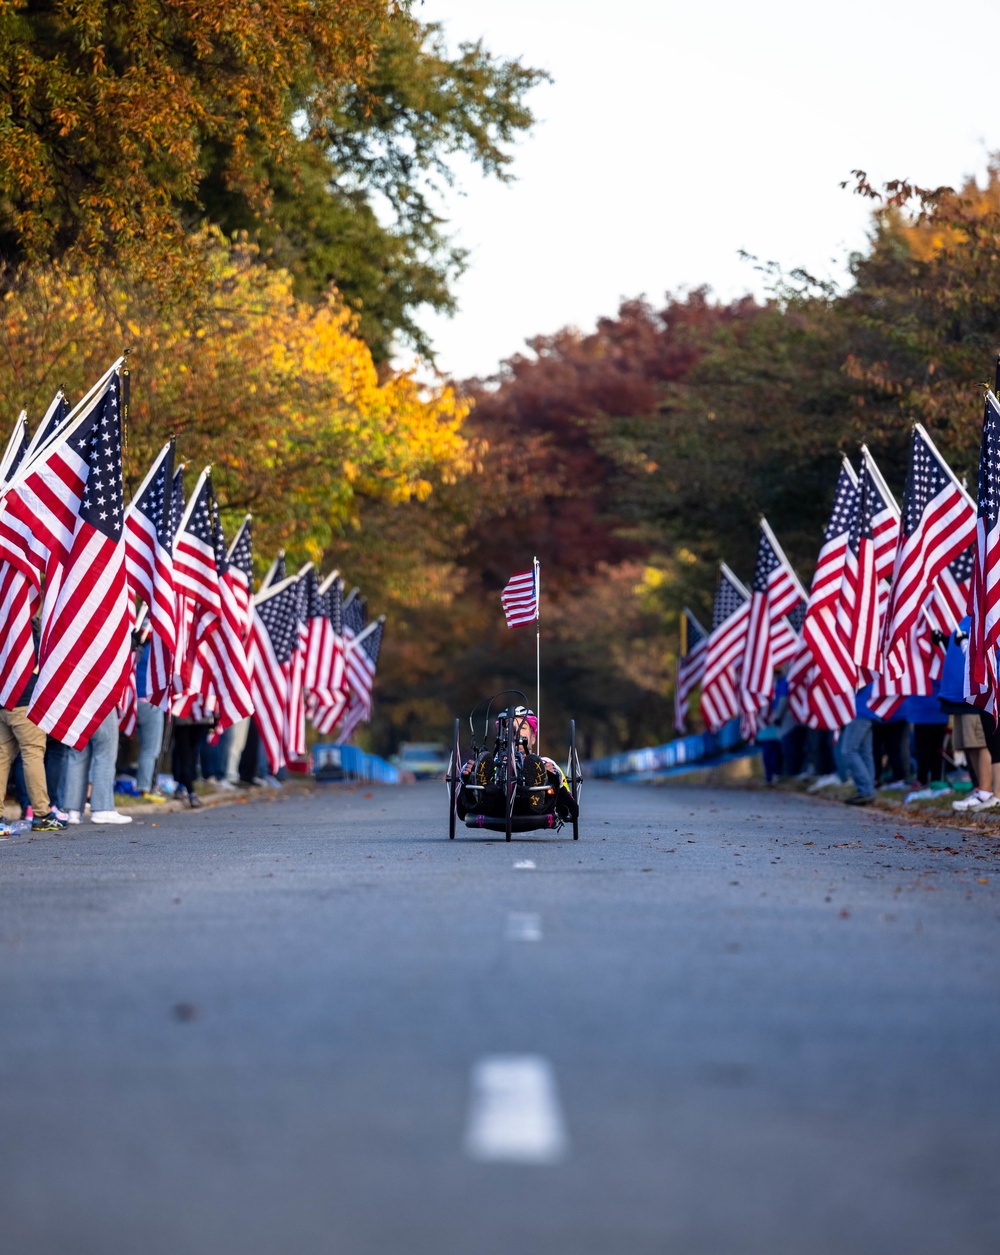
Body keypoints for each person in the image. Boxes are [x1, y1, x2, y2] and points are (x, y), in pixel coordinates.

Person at [0, 620, 67, 831]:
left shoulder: (6, 615)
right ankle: (41, 814)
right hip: (24, 699)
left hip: (3, 699)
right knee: (33, 754)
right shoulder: (21, 621)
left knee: (2, 757)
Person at [64, 709, 132, 825]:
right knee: (105, 752)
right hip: (101, 698)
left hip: (77, 700)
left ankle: (73, 811)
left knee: (78, 754)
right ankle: (102, 808)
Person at [134, 642, 166, 801]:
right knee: (150, 749)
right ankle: (145, 788)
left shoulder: (135, 648)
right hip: (150, 701)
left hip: (133, 700)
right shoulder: (155, 650)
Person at [840, 683, 878, 806]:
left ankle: (866, 790)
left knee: (848, 750)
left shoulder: (862, 665)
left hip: (859, 711)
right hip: (867, 709)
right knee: (864, 753)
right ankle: (867, 790)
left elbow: (856, 684)